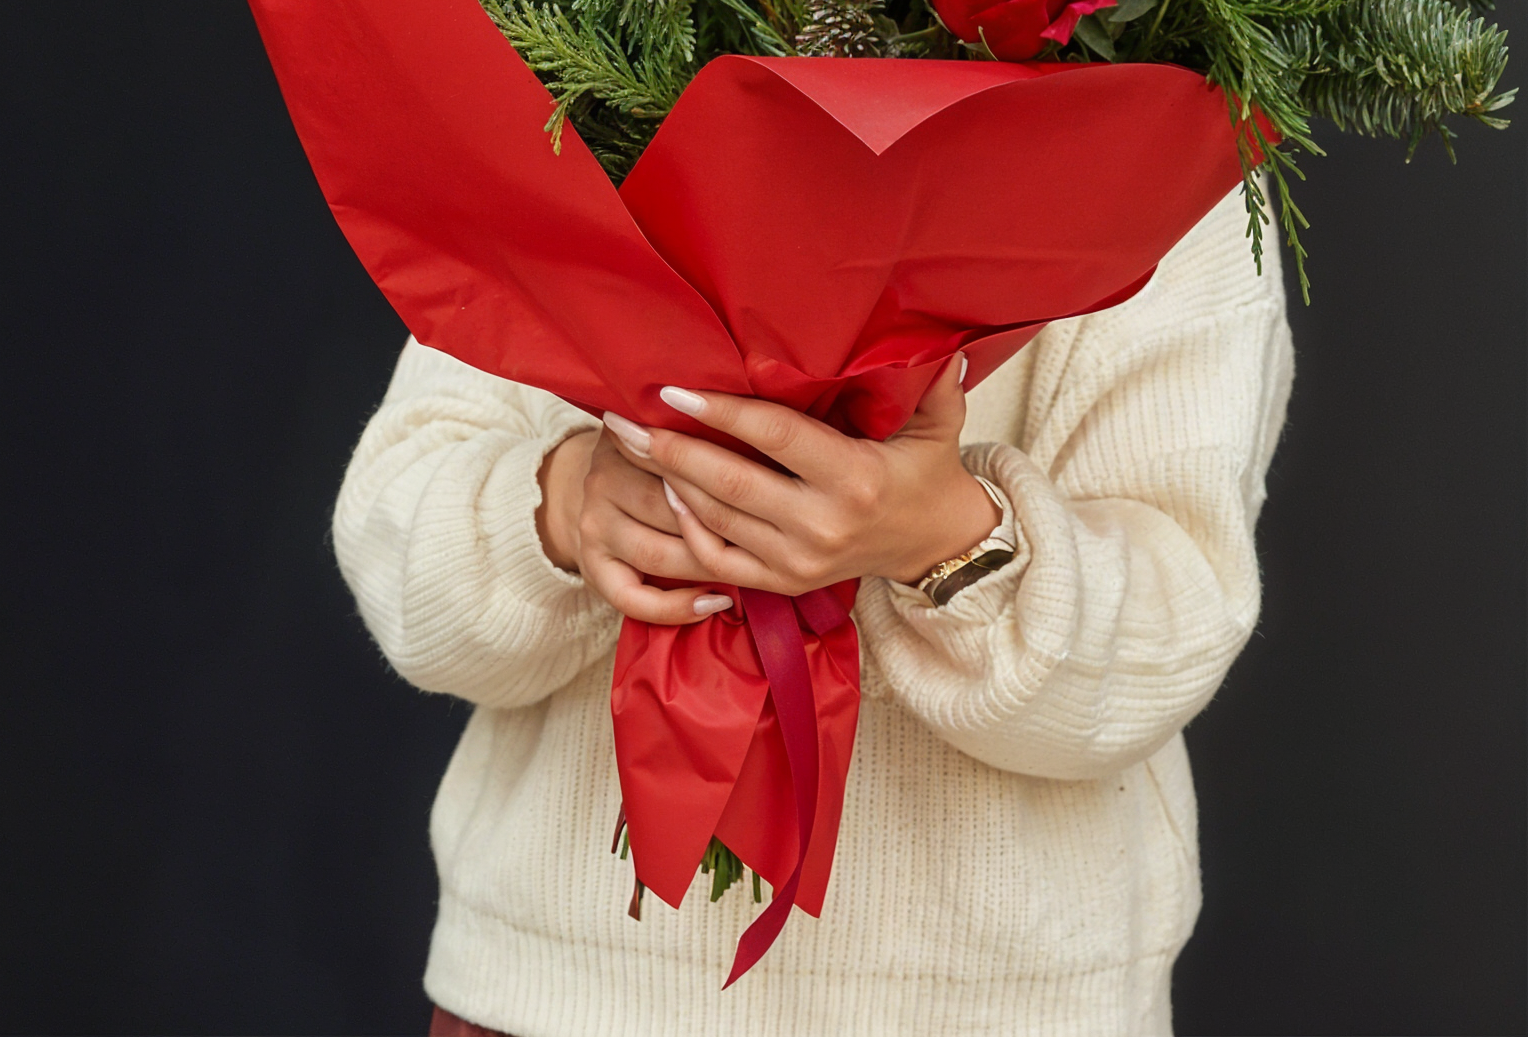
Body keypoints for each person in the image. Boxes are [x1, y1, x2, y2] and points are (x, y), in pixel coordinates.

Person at [334, 184, 1292, 1037]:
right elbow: (401, 548)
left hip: (996, 1006)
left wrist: (939, 538)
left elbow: (1171, 630)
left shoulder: (1170, 151)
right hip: (556, 992)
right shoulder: (578, 104)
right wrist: (565, 505)